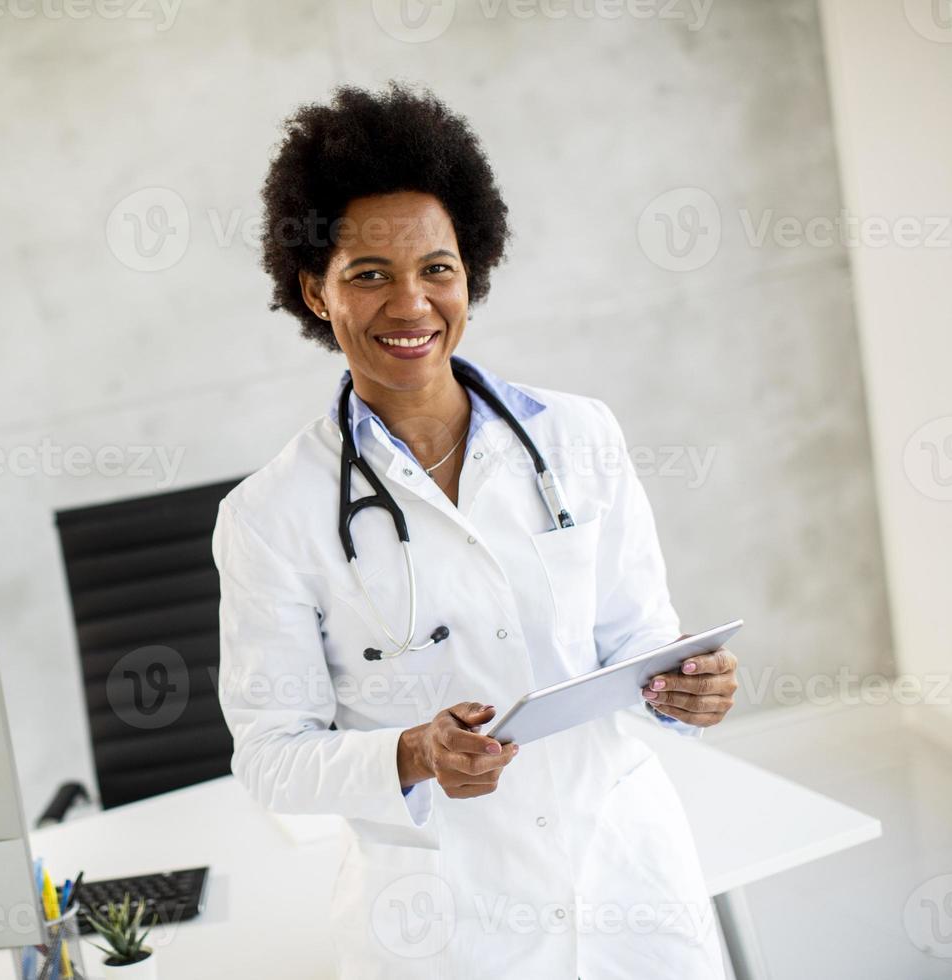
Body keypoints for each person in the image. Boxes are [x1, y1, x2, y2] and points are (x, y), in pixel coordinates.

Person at [213, 82, 739, 979]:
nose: (411, 305)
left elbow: (637, 637)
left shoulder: (578, 437)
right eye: (369, 274)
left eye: (437, 268)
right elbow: (271, 757)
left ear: (472, 272)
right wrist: (413, 752)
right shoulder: (270, 517)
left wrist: (687, 683)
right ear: (315, 290)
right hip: (443, 917)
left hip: (623, 878)